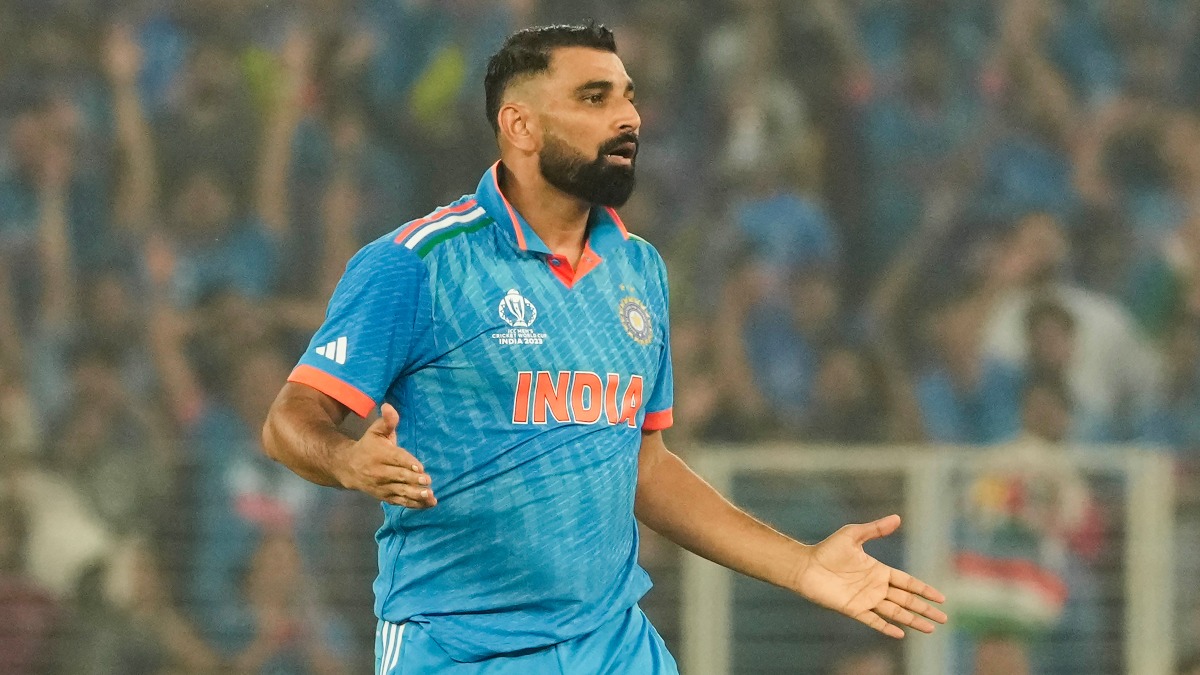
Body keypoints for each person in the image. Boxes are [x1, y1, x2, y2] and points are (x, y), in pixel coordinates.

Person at [262, 23, 946, 674]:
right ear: (520, 125)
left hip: (613, 645)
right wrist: (347, 460)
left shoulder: (638, 268)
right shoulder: (419, 263)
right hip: (460, 649)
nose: (629, 118)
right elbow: (289, 420)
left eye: (628, 96)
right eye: (595, 98)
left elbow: (646, 468)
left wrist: (803, 565)